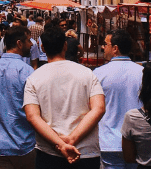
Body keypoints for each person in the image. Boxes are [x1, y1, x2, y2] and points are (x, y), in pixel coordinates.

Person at [24, 27, 105, 169]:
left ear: (42, 48)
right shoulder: (87, 73)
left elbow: (32, 117)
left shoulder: (33, 78)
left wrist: (61, 144)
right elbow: (98, 108)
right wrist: (72, 139)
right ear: (65, 46)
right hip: (84, 152)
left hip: (49, 152)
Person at [0, 26, 36, 169]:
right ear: (19, 43)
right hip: (24, 144)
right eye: (29, 41)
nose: (31, 44)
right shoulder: (27, 71)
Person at [94, 30, 144, 169]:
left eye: (106, 44)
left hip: (109, 142)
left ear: (115, 48)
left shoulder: (99, 73)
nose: (103, 47)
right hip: (136, 141)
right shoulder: (142, 73)